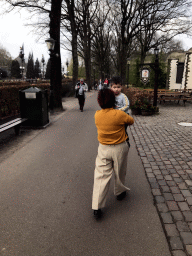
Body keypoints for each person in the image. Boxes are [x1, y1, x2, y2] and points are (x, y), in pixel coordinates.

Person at [92, 88, 134, 219]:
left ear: (99, 101)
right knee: (120, 170)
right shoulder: (119, 115)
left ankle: (97, 206)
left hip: (103, 149)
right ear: (113, 100)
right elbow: (131, 121)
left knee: (101, 176)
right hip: (119, 148)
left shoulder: (97, 115)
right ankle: (120, 192)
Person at [110, 76, 130, 146]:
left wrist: (118, 110)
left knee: (123, 130)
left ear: (121, 87)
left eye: (118, 87)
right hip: (114, 116)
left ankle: (126, 140)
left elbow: (127, 105)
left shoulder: (123, 96)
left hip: (123, 116)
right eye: (114, 87)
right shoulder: (110, 96)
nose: (116, 89)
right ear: (111, 87)